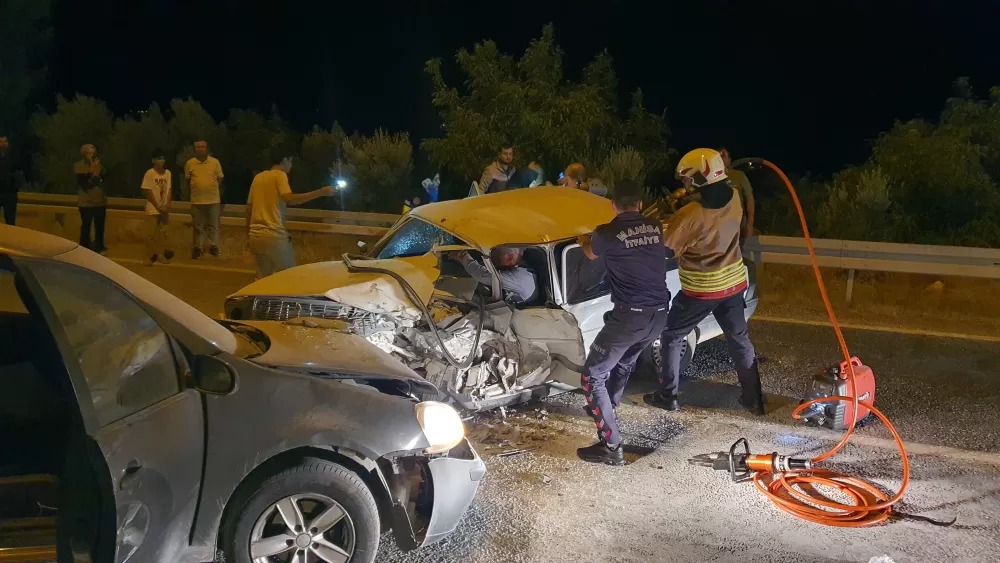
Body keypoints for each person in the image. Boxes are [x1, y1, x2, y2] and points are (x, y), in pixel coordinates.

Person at [644, 148, 765, 416]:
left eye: (687, 178)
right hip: (733, 284)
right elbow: (712, 209)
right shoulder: (734, 197)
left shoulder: (691, 214)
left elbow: (666, 250)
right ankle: (754, 399)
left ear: (700, 178)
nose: (684, 183)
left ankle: (667, 395)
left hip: (701, 290)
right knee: (739, 340)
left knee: (672, 336)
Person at [574, 179, 670, 466]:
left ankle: (611, 446)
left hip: (630, 317)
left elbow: (591, 252)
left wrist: (581, 239)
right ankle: (609, 406)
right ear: (640, 204)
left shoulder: (606, 232)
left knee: (592, 376)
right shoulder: (655, 226)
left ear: (613, 205)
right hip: (659, 314)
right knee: (625, 361)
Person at [246, 153, 336, 279]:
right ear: (285, 160)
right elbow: (289, 199)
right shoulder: (280, 175)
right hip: (274, 236)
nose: (291, 165)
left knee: (263, 279)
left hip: (256, 236)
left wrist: (248, 235)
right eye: (291, 161)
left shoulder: (258, 177)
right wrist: (321, 192)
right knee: (289, 278)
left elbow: (249, 208)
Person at [453, 246, 538, 304]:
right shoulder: (522, 269)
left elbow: (483, 275)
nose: (492, 254)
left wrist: (462, 256)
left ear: (509, 258)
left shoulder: (520, 279)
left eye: (496, 252)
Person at [184, 140, 225, 259]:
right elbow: (188, 180)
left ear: (207, 149)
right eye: (198, 147)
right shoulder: (190, 163)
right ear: (194, 149)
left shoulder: (215, 162)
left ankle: (213, 247)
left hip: (213, 200)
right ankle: (198, 248)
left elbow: (220, 178)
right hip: (197, 200)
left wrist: (211, 188)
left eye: (203, 147)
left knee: (213, 226)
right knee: (198, 227)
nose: (200, 149)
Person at [140, 149, 174, 265]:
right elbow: (147, 191)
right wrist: (157, 205)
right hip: (153, 208)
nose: (161, 161)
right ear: (153, 160)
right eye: (159, 158)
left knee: (162, 234)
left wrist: (166, 205)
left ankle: (160, 255)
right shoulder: (149, 173)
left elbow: (169, 189)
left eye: (163, 158)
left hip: (163, 209)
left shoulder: (168, 173)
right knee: (151, 234)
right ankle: (148, 256)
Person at [73, 144, 108, 253]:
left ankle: (99, 245)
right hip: (86, 202)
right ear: (83, 154)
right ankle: (84, 246)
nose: (92, 155)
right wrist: (92, 172)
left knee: (100, 226)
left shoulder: (100, 166)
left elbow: (104, 178)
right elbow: (84, 182)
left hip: (100, 202)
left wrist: (98, 172)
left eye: (93, 153)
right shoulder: (79, 165)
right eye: (89, 153)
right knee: (86, 225)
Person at [719, 148, 755, 247]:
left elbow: (749, 199)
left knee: (735, 250)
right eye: (718, 156)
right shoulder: (711, 177)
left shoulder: (738, 175)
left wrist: (750, 224)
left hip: (737, 223)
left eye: (724, 156)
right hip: (717, 224)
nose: (721, 159)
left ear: (729, 160)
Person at [0, 137, 17, 225]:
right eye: (1, 141)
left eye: (5, 141)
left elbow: (19, 172)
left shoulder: (14, 156)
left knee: (10, 220)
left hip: (10, 193)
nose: (3, 143)